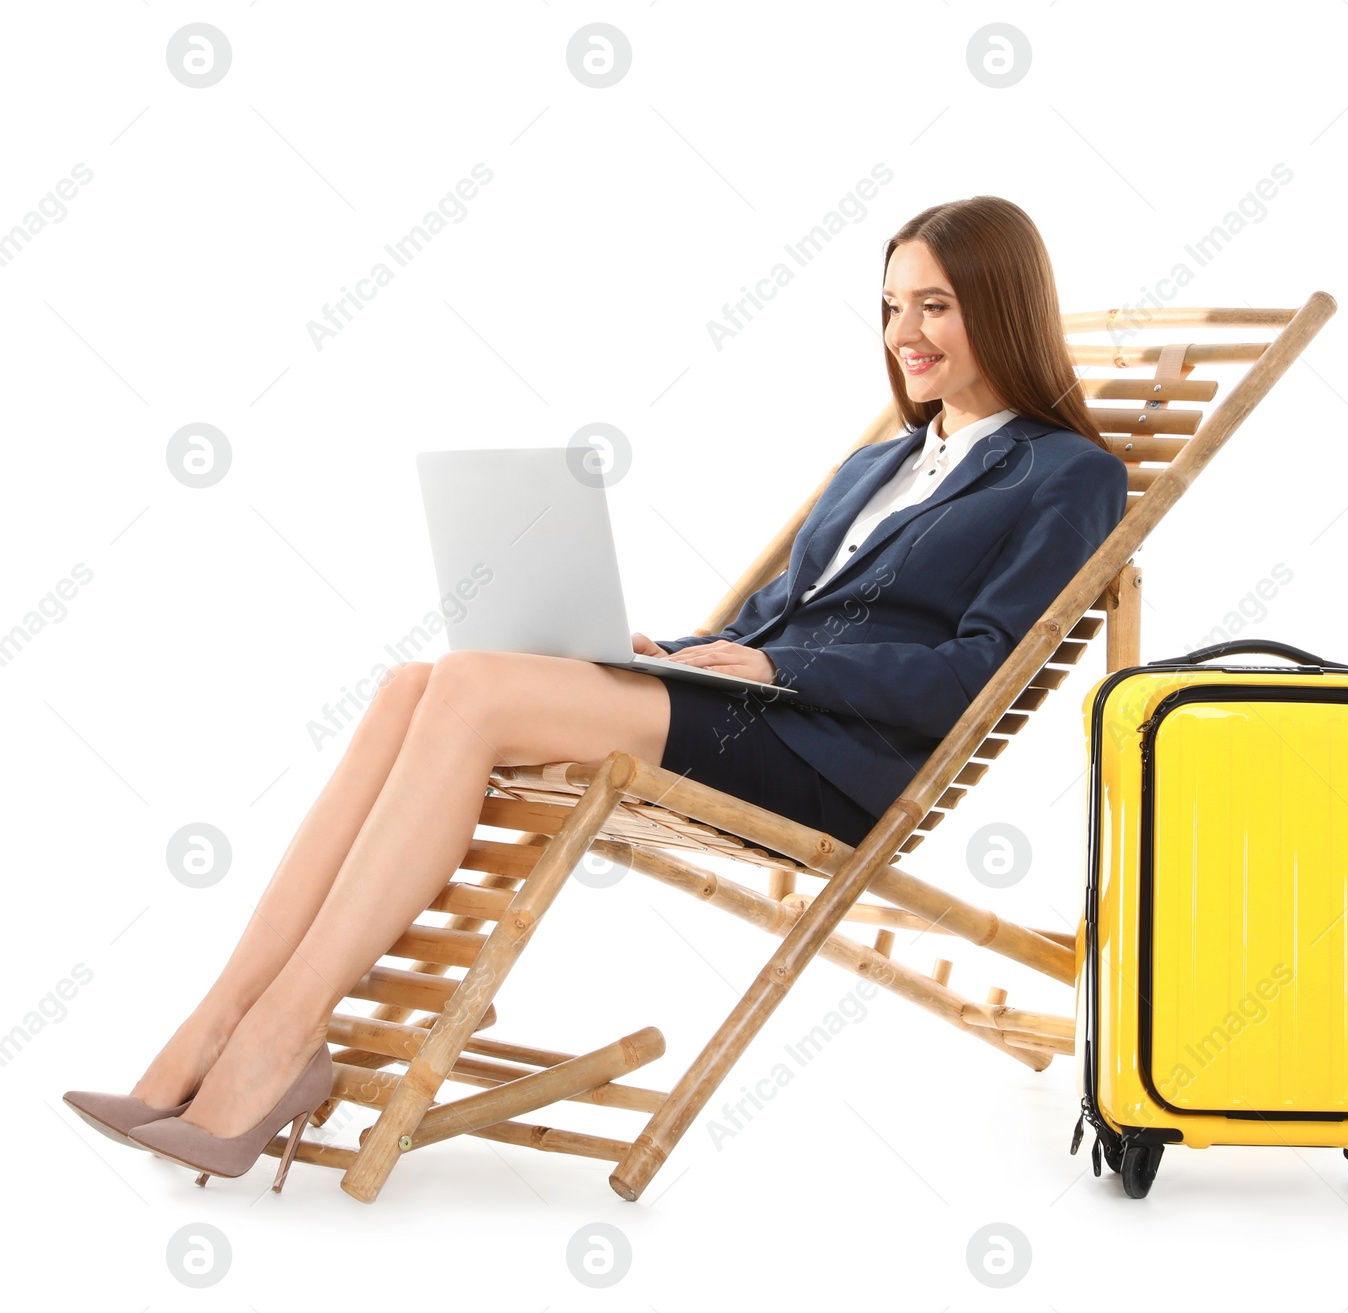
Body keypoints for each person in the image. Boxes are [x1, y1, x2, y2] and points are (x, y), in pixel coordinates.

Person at [62, 194, 1128, 1186]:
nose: (907, 332)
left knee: (472, 690)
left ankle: (281, 1037)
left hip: (834, 762)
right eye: (892, 305)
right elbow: (767, 619)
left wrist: (775, 666)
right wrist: (672, 647)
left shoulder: (1065, 473)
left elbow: (974, 674)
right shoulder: (878, 462)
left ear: (1001, 305)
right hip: (749, 706)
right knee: (410, 685)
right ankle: (212, 1025)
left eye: (935, 305)